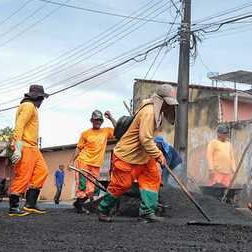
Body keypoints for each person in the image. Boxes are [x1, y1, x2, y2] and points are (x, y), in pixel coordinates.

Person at [96, 84, 178, 223]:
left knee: (152, 180)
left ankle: (146, 213)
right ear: (159, 100)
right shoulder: (149, 112)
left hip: (144, 157)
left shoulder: (158, 112)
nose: (169, 107)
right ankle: (103, 209)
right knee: (121, 185)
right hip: (127, 156)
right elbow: (145, 139)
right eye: (167, 103)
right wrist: (159, 155)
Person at [8, 84, 50, 216]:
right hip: (25, 145)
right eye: (42, 98)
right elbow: (19, 126)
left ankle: (30, 203)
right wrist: (18, 147)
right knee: (23, 175)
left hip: (32, 146)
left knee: (42, 171)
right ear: (37, 97)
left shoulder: (31, 107)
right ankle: (14, 207)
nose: (42, 101)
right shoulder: (28, 106)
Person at [69, 110, 117, 214]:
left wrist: (111, 117)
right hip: (83, 162)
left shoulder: (106, 131)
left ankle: (78, 203)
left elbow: (119, 130)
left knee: (93, 189)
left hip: (96, 165)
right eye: (96, 120)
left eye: (100, 120)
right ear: (91, 120)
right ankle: (80, 207)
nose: (98, 122)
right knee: (82, 185)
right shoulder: (85, 133)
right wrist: (72, 161)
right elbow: (79, 148)